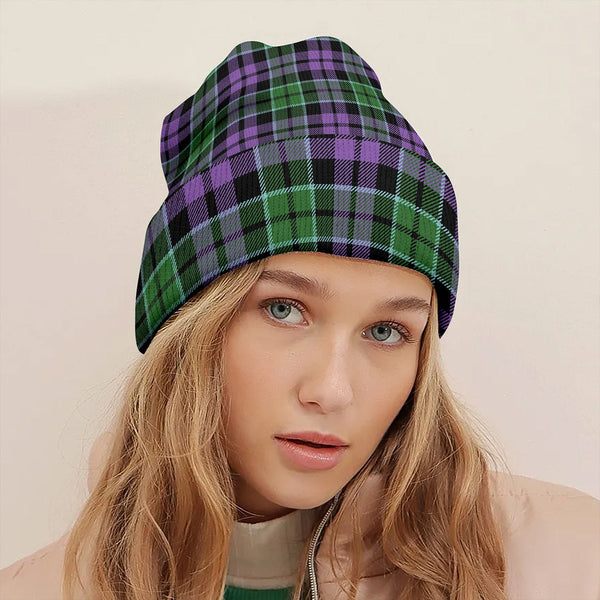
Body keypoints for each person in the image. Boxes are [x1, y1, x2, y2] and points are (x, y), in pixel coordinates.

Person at [1, 35, 598, 600]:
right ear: (185, 329)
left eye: (386, 331)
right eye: (284, 310)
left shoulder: (571, 560)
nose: (333, 391)